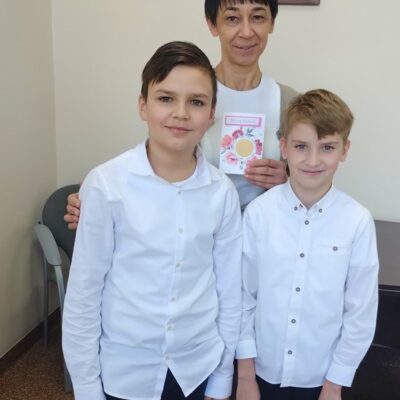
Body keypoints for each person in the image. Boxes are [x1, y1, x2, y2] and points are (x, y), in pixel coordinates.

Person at [62, 41, 242, 400]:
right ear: (143, 105)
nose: (181, 113)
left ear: (212, 114)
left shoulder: (222, 192)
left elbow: (228, 290)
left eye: (196, 102)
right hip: (126, 371)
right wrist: (86, 387)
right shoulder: (106, 184)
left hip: (196, 367)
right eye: (166, 98)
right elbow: (84, 294)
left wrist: (222, 377)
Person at [64, 0, 297, 228]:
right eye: (232, 18)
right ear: (212, 24)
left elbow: (310, 184)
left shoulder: (290, 103)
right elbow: (153, 164)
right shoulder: (187, 90)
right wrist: (99, 197)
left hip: (263, 235)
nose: (246, 32)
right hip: (193, 233)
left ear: (271, 23)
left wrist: (289, 183)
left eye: (257, 17)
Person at [235, 89, 379, 400]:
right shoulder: (258, 214)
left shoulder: (357, 221)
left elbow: (360, 312)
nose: (313, 161)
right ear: (284, 148)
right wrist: (245, 375)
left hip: (323, 378)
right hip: (261, 374)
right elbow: (243, 297)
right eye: (301, 146)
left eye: (327, 147)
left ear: (344, 149)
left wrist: (335, 383)